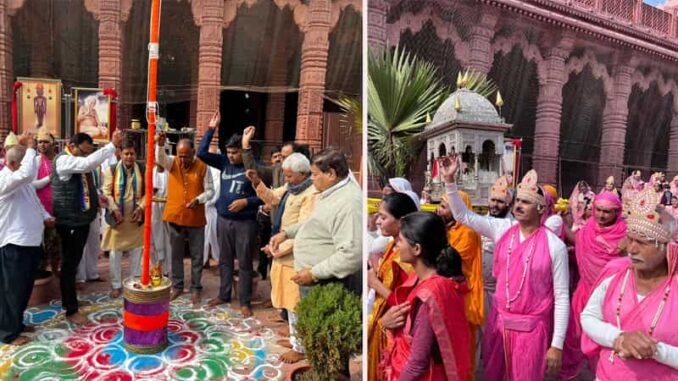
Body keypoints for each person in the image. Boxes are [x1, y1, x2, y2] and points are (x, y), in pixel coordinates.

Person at [440, 155, 569, 381]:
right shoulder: (503, 229)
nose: (518, 205)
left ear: (540, 209)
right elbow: (463, 215)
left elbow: (561, 296)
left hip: (532, 331)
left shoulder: (554, 246)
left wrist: (556, 344)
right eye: (517, 201)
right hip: (499, 324)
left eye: (526, 202)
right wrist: (450, 181)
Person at [581, 187, 678, 380]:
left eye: (642, 243)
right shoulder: (616, 275)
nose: (631, 249)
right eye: (630, 239)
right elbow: (589, 316)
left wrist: (655, 350)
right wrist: (619, 339)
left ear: (666, 247)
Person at [380, 212, 472, 380]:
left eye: (400, 240)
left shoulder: (429, 294)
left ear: (417, 249)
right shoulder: (424, 281)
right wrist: (385, 324)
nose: (396, 244)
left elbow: (417, 363)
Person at [247, 153, 317, 364]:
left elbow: (303, 231)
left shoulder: (311, 194)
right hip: (282, 251)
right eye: (285, 176)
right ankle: (295, 339)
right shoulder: (292, 188)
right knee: (287, 301)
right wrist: (257, 182)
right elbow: (272, 197)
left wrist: (274, 249)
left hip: (295, 256)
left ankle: (300, 348)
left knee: (296, 304)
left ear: (303, 174)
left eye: (290, 176)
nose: (286, 180)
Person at [51, 131, 123, 324]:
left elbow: (85, 186)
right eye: (84, 151)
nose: (85, 155)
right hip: (69, 222)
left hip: (81, 220)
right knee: (69, 265)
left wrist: (97, 200)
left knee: (72, 264)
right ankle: (71, 309)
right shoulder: (64, 161)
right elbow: (86, 164)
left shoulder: (77, 161)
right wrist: (111, 145)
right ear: (73, 145)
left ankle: (71, 301)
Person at [269, 147, 362, 295]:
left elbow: (352, 254)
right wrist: (286, 233)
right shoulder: (331, 192)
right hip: (316, 280)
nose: (311, 179)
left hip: (327, 284)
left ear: (331, 174)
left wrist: (314, 273)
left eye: (314, 174)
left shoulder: (348, 202)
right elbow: (316, 223)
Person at [197, 112, 262, 317]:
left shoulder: (251, 167)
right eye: (229, 152)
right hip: (224, 220)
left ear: (242, 152)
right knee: (224, 260)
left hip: (245, 223)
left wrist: (246, 202)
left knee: (244, 262)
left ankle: (244, 300)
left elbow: (264, 196)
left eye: (235, 152)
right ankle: (224, 295)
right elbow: (201, 153)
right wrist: (211, 129)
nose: (232, 156)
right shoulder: (224, 162)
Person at [560, 191, 627, 379]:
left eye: (607, 212)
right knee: (573, 337)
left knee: (604, 342)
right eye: (598, 209)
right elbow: (577, 240)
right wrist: (559, 222)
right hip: (584, 292)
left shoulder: (626, 235)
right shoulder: (588, 228)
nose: (601, 215)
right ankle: (568, 375)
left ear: (617, 212)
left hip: (611, 298)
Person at [0, 133, 55, 345]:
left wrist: (46, 217)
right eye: (23, 163)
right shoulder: (6, 179)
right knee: (11, 291)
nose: (27, 167)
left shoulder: (21, 182)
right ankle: (8, 333)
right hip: (14, 245)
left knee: (23, 289)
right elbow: (27, 173)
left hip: (30, 243)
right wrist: (31, 148)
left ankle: (17, 324)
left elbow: (35, 204)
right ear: (13, 163)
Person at [156, 131, 214, 307]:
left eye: (186, 156)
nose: (182, 160)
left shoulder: (204, 167)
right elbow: (160, 159)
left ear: (193, 154)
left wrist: (199, 200)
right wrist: (159, 145)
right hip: (175, 217)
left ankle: (196, 287)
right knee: (176, 254)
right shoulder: (172, 162)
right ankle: (178, 286)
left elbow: (211, 191)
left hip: (196, 218)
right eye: (180, 156)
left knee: (197, 256)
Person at [367, 193, 418, 381]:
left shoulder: (408, 257)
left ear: (401, 221)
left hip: (394, 329)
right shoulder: (392, 245)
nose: (378, 221)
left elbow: (409, 303)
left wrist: (375, 284)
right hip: (381, 321)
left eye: (383, 217)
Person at [437, 191, 483, 377]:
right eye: (439, 205)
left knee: (461, 352)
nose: (439, 210)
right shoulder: (446, 230)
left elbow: (446, 262)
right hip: (446, 294)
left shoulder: (468, 233)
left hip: (463, 298)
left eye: (444, 206)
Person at [101, 140, 145, 298]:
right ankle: (116, 285)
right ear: (119, 153)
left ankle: (134, 281)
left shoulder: (142, 168)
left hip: (135, 218)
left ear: (136, 154)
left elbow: (148, 193)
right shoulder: (111, 170)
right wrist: (114, 209)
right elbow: (106, 192)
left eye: (132, 154)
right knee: (115, 253)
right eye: (126, 153)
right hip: (117, 219)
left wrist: (140, 207)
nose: (129, 157)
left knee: (136, 251)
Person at [32, 128, 60, 276]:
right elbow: (31, 186)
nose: (42, 145)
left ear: (53, 144)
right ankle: (42, 274)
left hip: (58, 209)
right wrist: (49, 179)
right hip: (40, 210)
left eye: (45, 142)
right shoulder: (35, 162)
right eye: (39, 142)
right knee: (41, 245)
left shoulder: (59, 160)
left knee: (57, 245)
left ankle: (56, 273)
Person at [203, 145, 221, 268]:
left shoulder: (218, 172)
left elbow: (216, 191)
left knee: (213, 236)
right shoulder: (202, 168)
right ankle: (204, 260)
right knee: (203, 237)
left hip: (210, 208)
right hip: (201, 208)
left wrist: (207, 202)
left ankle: (215, 258)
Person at [151, 162, 171, 276]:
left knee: (168, 241)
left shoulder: (171, 173)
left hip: (167, 210)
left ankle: (168, 270)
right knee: (153, 241)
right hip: (154, 212)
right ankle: (156, 269)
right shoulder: (150, 172)